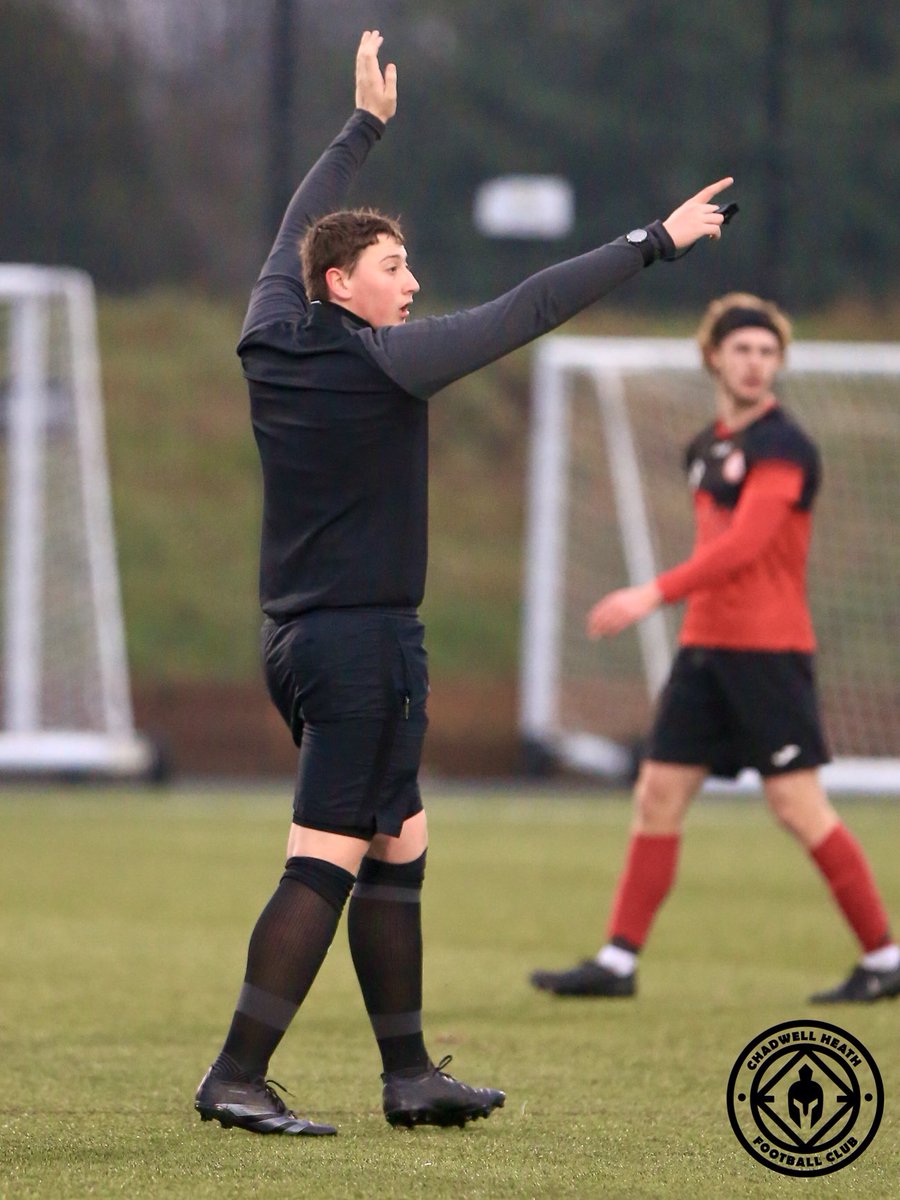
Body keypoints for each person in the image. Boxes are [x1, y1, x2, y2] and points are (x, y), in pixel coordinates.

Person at [194, 30, 734, 1137]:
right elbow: (529, 307)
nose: (415, 282)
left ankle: (409, 1078)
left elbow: (297, 227)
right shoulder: (381, 359)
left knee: (400, 845)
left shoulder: (268, 328)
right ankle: (235, 1077)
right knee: (327, 860)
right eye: (395, 267)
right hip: (360, 649)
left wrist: (363, 129)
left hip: (303, 642)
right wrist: (655, 242)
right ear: (343, 285)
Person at [530, 292, 900, 1006]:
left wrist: (652, 593)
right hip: (705, 651)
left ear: (779, 363)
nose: (756, 364)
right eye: (743, 351)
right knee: (658, 795)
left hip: (768, 652)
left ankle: (885, 956)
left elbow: (748, 546)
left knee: (798, 806)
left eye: (768, 353)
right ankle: (617, 961)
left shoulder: (785, 446)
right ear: (714, 357)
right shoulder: (705, 445)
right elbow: (718, 550)